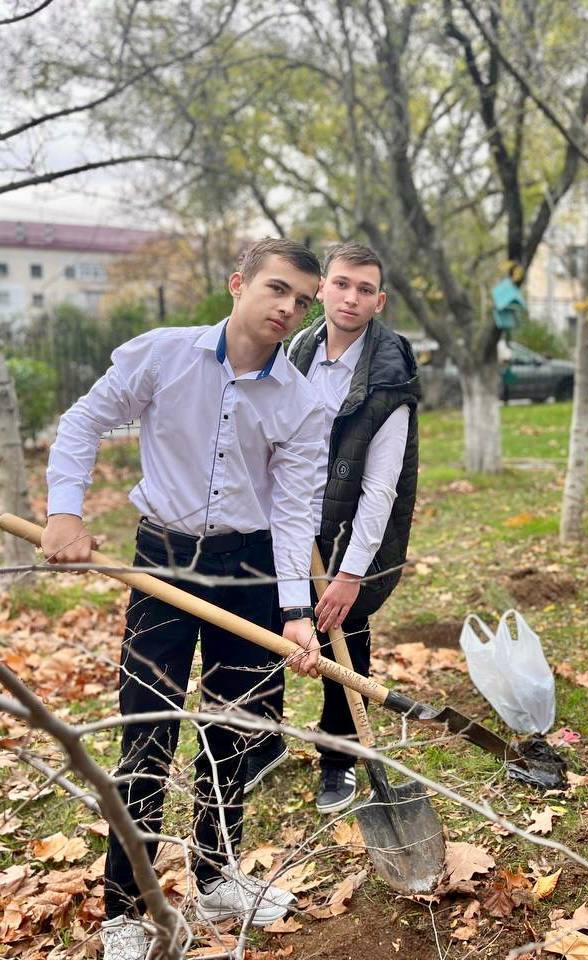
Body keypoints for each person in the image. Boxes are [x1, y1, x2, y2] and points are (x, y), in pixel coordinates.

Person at [42, 238, 326, 960]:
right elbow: (81, 423)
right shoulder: (162, 356)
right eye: (278, 289)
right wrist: (65, 513)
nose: (289, 308)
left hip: (249, 567)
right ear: (239, 284)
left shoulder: (300, 401)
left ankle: (216, 873)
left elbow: (294, 513)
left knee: (237, 731)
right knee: (148, 731)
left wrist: (296, 611)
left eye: (302, 300)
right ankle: (126, 910)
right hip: (161, 566)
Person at [244, 242, 421, 814]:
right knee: (266, 624)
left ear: (379, 301)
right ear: (321, 289)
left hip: (347, 526)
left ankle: (340, 759)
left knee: (343, 637)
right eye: (341, 284)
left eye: (364, 289)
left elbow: (381, 488)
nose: (351, 297)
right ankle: (261, 741)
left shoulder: (389, 375)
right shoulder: (294, 349)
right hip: (284, 513)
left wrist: (349, 574)